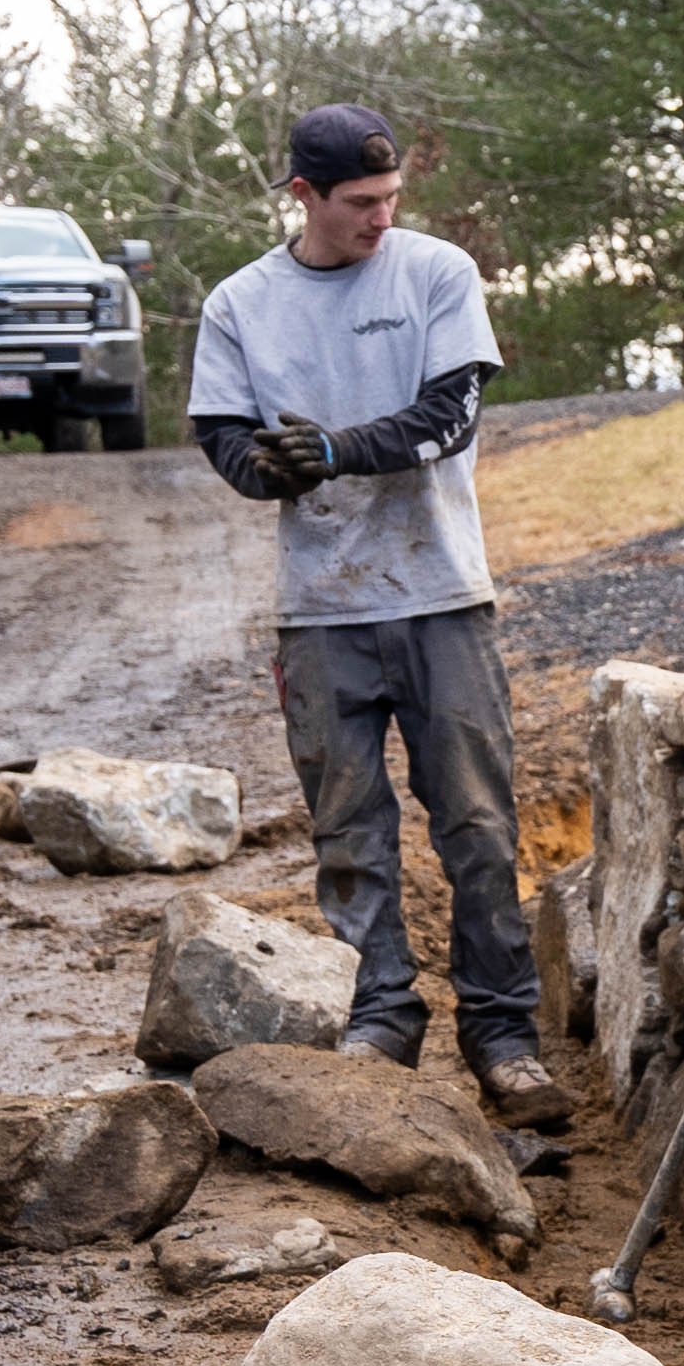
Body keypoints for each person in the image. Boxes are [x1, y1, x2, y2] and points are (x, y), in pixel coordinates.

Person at [186, 102, 563, 1120]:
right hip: (318, 609)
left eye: (392, 198)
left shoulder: (435, 273)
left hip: (442, 593)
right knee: (348, 828)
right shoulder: (241, 304)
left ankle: (503, 1032)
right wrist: (261, 469)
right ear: (302, 195)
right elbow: (220, 428)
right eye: (360, 203)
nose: (381, 219)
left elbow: (452, 414)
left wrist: (339, 450)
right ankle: (380, 1017)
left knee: (479, 821)